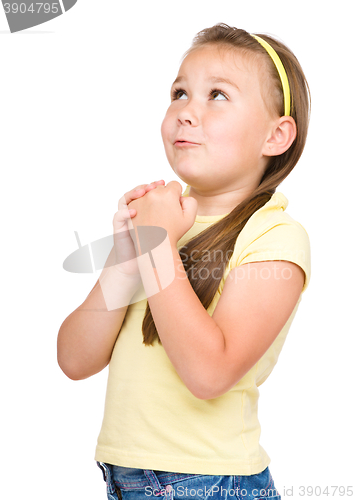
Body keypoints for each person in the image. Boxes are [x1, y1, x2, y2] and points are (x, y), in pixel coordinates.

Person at [57, 23, 311, 500]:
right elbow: (73, 358)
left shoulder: (276, 236)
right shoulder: (159, 224)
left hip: (211, 482)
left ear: (276, 136)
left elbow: (208, 374)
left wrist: (157, 246)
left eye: (217, 96)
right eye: (179, 92)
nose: (187, 112)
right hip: (127, 479)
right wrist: (127, 258)